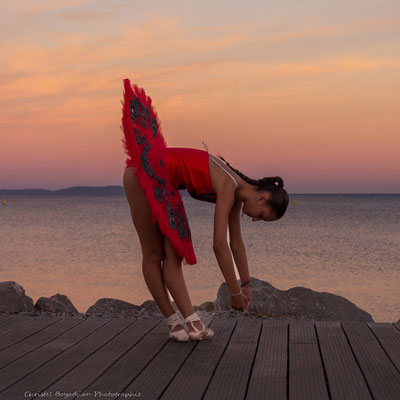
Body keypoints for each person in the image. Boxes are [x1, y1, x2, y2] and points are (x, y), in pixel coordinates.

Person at [121, 79, 289, 342]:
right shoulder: (228, 184)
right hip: (146, 173)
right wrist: (233, 292)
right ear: (262, 196)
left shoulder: (234, 191)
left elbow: (236, 243)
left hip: (152, 180)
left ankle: (183, 323)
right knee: (160, 253)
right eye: (262, 215)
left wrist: (245, 285)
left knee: (167, 253)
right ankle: (184, 322)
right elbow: (219, 245)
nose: (256, 220)